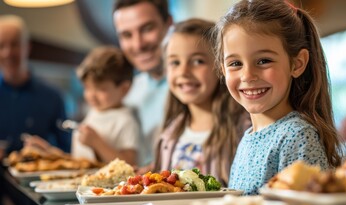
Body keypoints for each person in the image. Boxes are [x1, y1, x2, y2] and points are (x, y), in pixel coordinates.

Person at [213, 0, 344, 195]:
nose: (247, 75)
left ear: (297, 64)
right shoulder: (248, 138)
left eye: (264, 61)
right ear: (223, 69)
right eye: (235, 63)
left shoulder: (297, 136)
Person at [145, 18, 249, 186]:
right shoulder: (168, 135)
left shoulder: (244, 130)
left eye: (198, 61)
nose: (184, 72)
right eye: (175, 62)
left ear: (220, 67)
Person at [26, 46, 141, 166]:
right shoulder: (95, 112)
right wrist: (49, 152)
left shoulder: (126, 121)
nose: (91, 95)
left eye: (101, 89)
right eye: (87, 88)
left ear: (124, 89)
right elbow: (80, 161)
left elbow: (130, 165)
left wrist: (97, 143)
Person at [0, 15, 71, 159]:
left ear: (27, 46)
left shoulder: (53, 97)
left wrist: (48, 150)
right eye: (1, 46)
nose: (8, 53)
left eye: (14, 44)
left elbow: (68, 151)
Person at [113, 0, 173, 167]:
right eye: (126, 35)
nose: (138, 44)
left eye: (147, 29)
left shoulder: (198, 86)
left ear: (169, 24)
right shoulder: (126, 93)